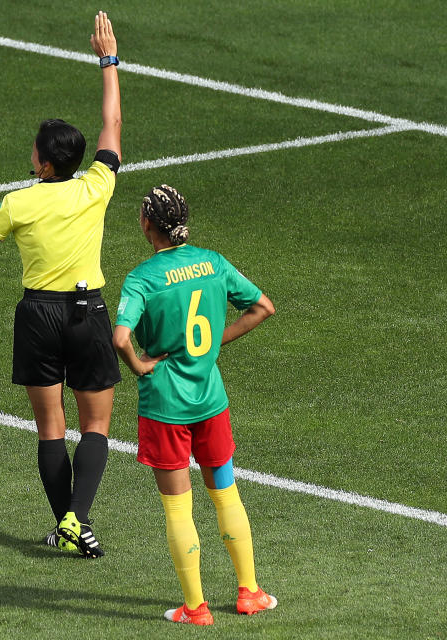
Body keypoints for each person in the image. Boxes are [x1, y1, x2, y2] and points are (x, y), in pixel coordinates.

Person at [0, 12, 122, 558]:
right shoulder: (96, 186)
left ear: (43, 161)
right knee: (95, 424)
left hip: (38, 317)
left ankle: (68, 524)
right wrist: (108, 62)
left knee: (50, 426)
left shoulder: (20, 201)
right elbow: (113, 126)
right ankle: (78, 521)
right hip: (88, 312)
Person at [112, 184, 277, 625]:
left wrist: (141, 366)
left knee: (177, 508)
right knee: (226, 495)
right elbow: (262, 307)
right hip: (211, 401)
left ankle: (195, 608)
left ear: (147, 224)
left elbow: (120, 338)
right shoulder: (212, 262)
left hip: (166, 407)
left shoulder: (143, 278)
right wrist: (211, 345)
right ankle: (249, 592)